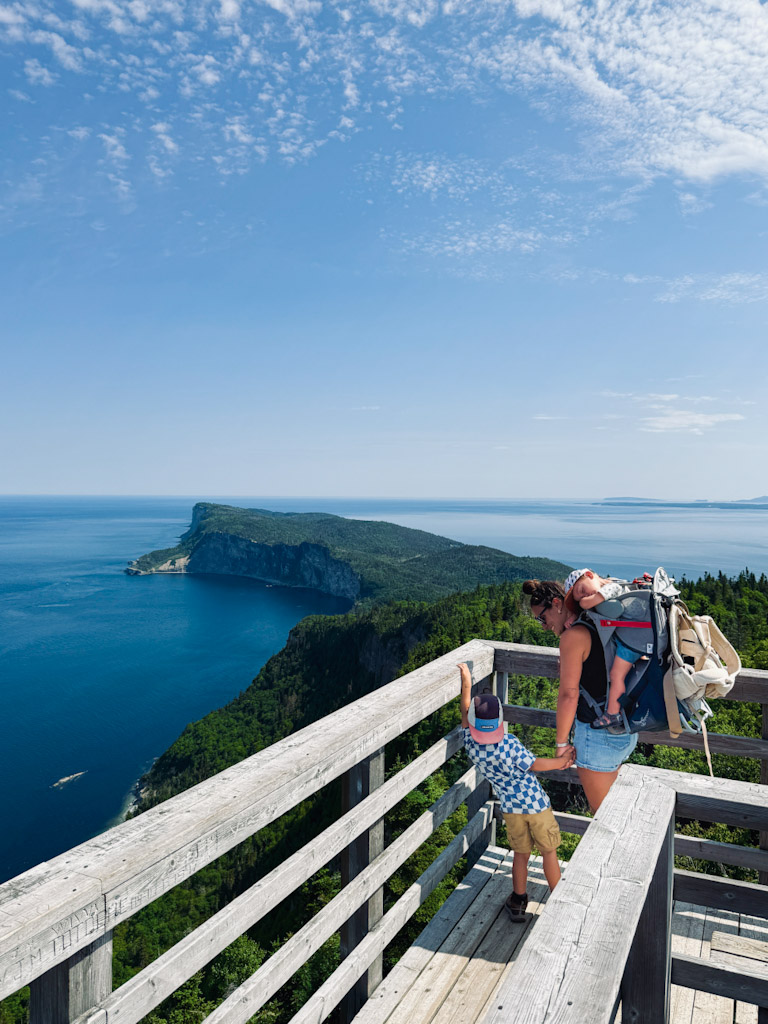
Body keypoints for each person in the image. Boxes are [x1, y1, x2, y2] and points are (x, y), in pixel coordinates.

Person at [458, 662, 575, 923]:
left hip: (511, 810)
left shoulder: (470, 745)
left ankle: (519, 900)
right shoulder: (509, 744)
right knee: (549, 853)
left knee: (521, 855)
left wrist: (466, 681)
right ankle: (557, 901)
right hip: (537, 806)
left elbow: (465, 713)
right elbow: (535, 764)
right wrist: (561, 762)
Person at [522, 579, 638, 812]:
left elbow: (568, 695)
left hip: (598, 736)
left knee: (605, 817)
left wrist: (561, 743)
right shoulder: (596, 623)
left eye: (541, 618)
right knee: (613, 811)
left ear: (557, 604)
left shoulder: (574, 636)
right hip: (625, 729)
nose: (543, 626)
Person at [563, 568, 642, 730]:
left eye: (582, 590)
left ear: (590, 575)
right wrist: (575, 615)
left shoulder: (612, 587)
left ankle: (613, 714)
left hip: (632, 642)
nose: (585, 597)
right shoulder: (609, 589)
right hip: (633, 639)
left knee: (616, 675)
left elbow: (593, 601)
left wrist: (583, 603)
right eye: (581, 597)